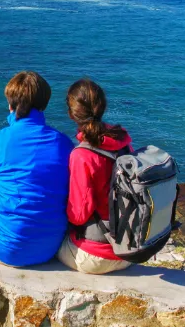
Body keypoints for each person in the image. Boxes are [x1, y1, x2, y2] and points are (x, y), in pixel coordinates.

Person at [0, 71, 74, 267]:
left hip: (7, 250)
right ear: (44, 105)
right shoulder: (64, 144)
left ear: (10, 105)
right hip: (50, 247)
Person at [57, 79, 133, 274]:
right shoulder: (123, 141)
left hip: (96, 256)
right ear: (103, 107)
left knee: (46, 243)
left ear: (71, 114)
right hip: (128, 251)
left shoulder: (81, 156)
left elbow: (79, 215)